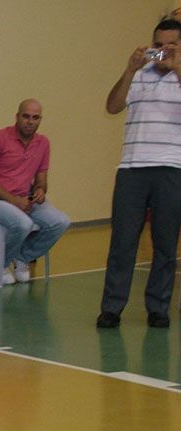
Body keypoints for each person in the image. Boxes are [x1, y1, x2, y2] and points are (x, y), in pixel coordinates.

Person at [97, 18, 181, 329]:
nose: (163, 50)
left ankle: (158, 308)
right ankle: (111, 308)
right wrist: (130, 70)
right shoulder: (139, 75)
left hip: (171, 169)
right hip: (132, 169)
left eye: (171, 44)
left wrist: (176, 68)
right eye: (158, 44)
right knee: (122, 242)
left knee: (165, 244)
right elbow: (112, 106)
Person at [0, 99, 70, 284]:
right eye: (26, 116)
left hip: (25, 200)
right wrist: (14, 201)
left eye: (35, 118)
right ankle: (1, 263)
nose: (30, 122)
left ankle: (22, 257)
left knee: (60, 222)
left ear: (40, 120)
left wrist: (40, 190)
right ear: (17, 117)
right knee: (22, 223)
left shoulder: (43, 143)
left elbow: (41, 179)